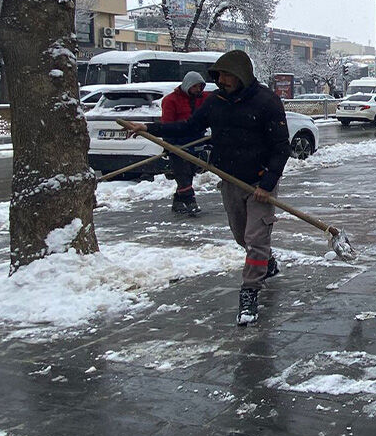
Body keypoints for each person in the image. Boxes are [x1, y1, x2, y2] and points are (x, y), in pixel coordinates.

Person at [122, 50, 290, 327]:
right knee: (242, 237)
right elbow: (189, 126)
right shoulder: (215, 103)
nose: (220, 80)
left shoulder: (266, 102)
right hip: (229, 177)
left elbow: (281, 147)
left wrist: (268, 184)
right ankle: (267, 263)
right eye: (218, 75)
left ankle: (249, 294)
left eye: (225, 75)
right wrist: (149, 128)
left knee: (256, 239)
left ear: (240, 75)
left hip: (259, 181)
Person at [161, 71, 207, 216]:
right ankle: (190, 202)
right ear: (188, 85)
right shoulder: (171, 100)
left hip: (195, 142)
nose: (198, 90)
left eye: (201, 87)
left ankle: (178, 201)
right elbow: (167, 124)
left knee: (189, 173)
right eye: (196, 87)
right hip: (177, 144)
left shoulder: (202, 98)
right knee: (183, 173)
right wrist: (168, 144)